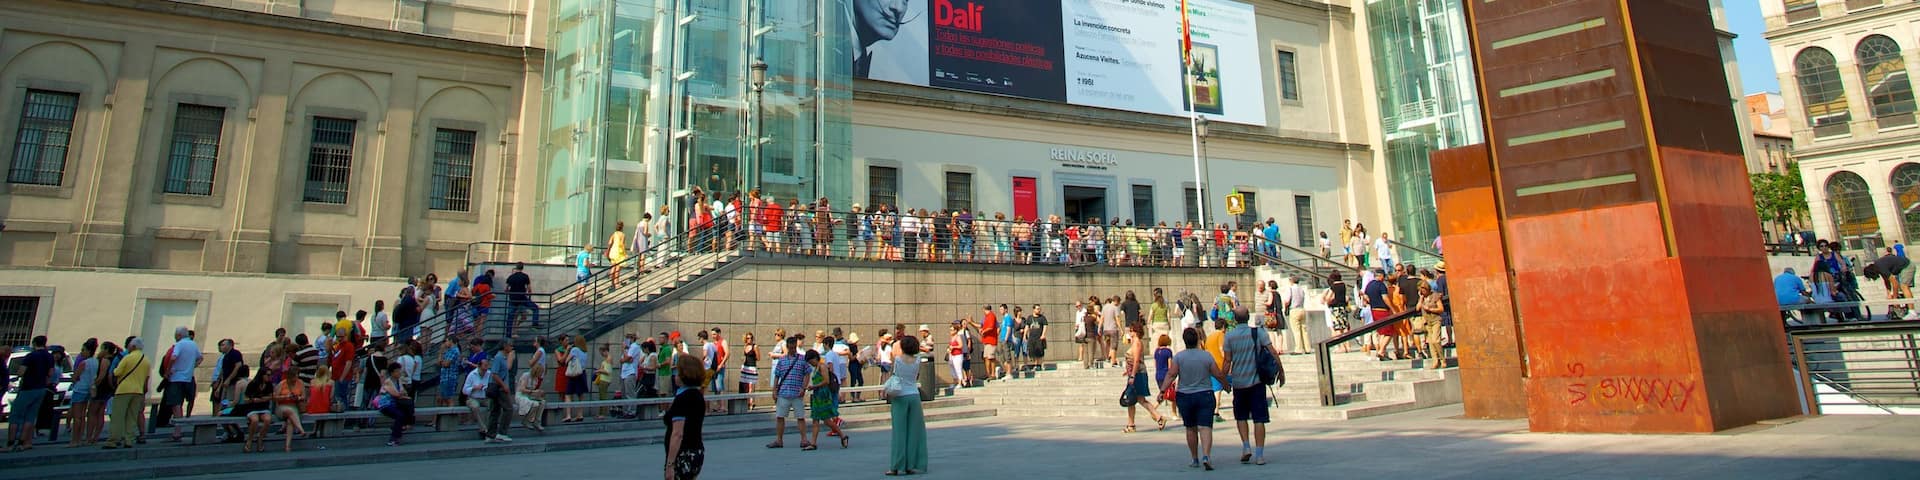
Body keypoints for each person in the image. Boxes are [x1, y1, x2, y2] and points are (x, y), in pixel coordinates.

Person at [1164, 327, 1226, 470]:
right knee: (1205, 427)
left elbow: (1171, 375)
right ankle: (1206, 455)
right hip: (1204, 394)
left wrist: (1163, 390)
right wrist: (1226, 385)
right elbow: (1217, 373)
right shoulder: (1206, 356)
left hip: (1185, 395)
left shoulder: (1179, 357)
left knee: (1190, 428)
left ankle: (1194, 458)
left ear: (1184, 340)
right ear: (1198, 340)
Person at [1223, 306, 1274, 465]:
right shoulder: (1258, 332)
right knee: (1259, 419)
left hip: (1239, 383)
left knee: (1241, 417)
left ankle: (1246, 446)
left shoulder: (1229, 337)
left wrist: (1223, 379)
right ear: (1248, 318)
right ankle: (1259, 455)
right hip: (1257, 382)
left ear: (1234, 319)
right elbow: (1272, 351)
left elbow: (1227, 361)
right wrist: (1281, 371)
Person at [885, 335, 928, 476]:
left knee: (899, 432)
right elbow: (915, 376)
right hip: (914, 396)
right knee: (914, 432)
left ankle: (896, 466)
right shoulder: (917, 360)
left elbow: (894, 375)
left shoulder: (898, 360)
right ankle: (911, 464)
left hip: (900, 396)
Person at [6, 335, 55, 451]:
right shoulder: (49, 356)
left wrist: (19, 374)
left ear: (34, 344)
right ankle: (23, 443)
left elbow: (21, 372)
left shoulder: (30, 356)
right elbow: (50, 373)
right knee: (30, 416)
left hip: (27, 388)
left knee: (15, 416)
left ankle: (10, 443)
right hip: (41, 388)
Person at [664, 354, 707, 480]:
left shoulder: (682, 399)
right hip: (697, 451)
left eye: (677, 373)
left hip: (683, 454)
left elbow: (678, 434)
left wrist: (670, 464)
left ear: (684, 376)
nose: (675, 376)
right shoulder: (698, 396)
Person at [155, 326, 200, 442]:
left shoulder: (179, 344)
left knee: (176, 405)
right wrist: (191, 367)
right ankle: (178, 430)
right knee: (183, 403)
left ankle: (177, 431)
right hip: (188, 378)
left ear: (179, 335)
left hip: (176, 378)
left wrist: (168, 370)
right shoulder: (193, 344)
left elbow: (174, 357)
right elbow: (200, 358)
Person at [1121, 323, 1168, 433]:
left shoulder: (1137, 343)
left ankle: (1157, 418)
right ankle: (1132, 424)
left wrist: (1132, 375)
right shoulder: (1134, 343)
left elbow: (1137, 360)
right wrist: (1127, 371)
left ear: (1136, 332)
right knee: (1133, 400)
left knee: (1137, 399)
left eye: (1131, 331)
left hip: (1138, 374)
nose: (1129, 333)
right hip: (1134, 373)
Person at [768, 335, 810, 449]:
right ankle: (779, 440)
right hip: (783, 392)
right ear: (787, 347)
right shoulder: (782, 360)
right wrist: (774, 390)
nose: (792, 350)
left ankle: (804, 439)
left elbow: (807, 373)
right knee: (780, 416)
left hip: (797, 393)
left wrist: (803, 387)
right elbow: (777, 375)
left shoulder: (802, 359)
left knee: (800, 417)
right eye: (790, 348)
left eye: (794, 348)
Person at [804, 350, 846, 450]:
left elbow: (826, 381)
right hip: (817, 396)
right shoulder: (816, 368)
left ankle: (842, 435)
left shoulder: (822, 366)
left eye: (811, 361)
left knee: (827, 420)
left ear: (815, 358)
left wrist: (814, 386)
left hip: (823, 396)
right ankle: (813, 443)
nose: (811, 364)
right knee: (815, 419)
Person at [376, 362, 415, 446]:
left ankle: (402, 427)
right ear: (392, 373)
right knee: (400, 415)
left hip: (394, 403)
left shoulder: (398, 381)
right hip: (385, 405)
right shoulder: (388, 381)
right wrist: (403, 395)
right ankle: (394, 438)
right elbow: (396, 394)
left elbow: (403, 392)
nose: (399, 373)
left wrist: (403, 394)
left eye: (399, 371)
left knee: (407, 407)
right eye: (397, 371)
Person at [515, 365, 548, 432]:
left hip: (529, 395)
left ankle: (537, 422)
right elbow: (522, 389)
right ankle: (526, 420)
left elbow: (533, 391)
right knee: (535, 404)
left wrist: (539, 393)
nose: (541, 375)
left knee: (542, 402)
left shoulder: (536, 378)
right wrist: (533, 391)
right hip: (521, 396)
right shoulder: (526, 375)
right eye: (540, 372)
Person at [506, 263, 539, 330]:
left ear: (516, 267)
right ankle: (534, 325)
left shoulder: (511, 277)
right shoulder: (525, 276)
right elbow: (529, 289)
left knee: (511, 316)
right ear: (522, 268)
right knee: (535, 308)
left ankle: (508, 333)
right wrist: (529, 295)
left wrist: (510, 293)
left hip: (513, 298)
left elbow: (506, 288)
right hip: (522, 298)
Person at [1285, 277, 1311, 354]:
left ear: (1291, 281)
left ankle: (1298, 349)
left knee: (1296, 330)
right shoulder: (1301, 289)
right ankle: (1307, 348)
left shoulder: (1290, 289)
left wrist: (1286, 306)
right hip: (1302, 309)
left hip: (1294, 309)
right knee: (1304, 330)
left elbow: (1287, 300)